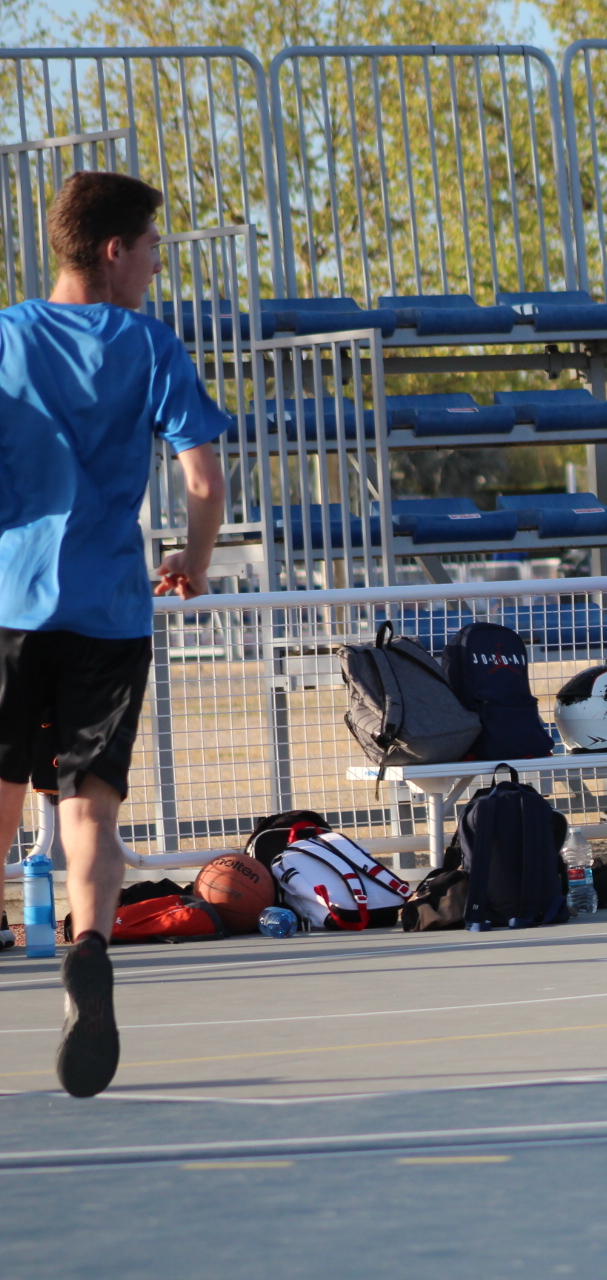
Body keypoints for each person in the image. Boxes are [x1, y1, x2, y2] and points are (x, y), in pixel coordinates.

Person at [0, 172, 232, 1095]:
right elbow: (204, 481)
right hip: (108, 614)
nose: (155, 266)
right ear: (114, 250)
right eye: (152, 249)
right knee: (90, 805)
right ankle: (89, 948)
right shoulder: (147, 344)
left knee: (2, 791)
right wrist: (194, 560)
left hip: (12, 603)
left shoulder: (9, 337)